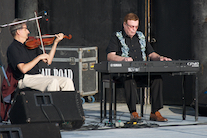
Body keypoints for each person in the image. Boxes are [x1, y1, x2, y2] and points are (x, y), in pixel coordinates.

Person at [106, 13, 172, 122]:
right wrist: (123, 59)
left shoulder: (141, 36)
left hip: (141, 73)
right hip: (124, 74)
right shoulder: (116, 37)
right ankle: (134, 113)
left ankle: (154, 112)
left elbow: (151, 54)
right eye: (131, 26)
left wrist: (160, 58)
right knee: (129, 79)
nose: (133, 29)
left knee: (157, 78)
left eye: (136, 27)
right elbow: (110, 56)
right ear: (124, 25)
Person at [7, 19, 75, 92]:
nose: (28, 32)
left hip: (38, 76)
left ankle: (67, 103)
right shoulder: (13, 48)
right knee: (53, 82)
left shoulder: (32, 44)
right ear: (18, 32)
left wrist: (55, 43)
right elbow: (23, 69)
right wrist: (39, 57)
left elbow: (48, 61)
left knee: (67, 81)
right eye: (25, 29)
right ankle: (53, 103)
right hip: (25, 79)